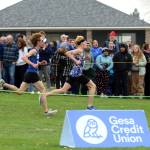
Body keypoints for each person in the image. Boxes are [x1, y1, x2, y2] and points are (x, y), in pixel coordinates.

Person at [0, 33, 57, 116]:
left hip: (30, 73)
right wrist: (32, 64)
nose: (43, 42)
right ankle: (46, 111)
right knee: (43, 90)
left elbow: (33, 61)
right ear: (37, 42)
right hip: (32, 73)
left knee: (20, 92)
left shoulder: (36, 50)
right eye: (41, 41)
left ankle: (3, 83)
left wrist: (39, 63)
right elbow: (24, 57)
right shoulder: (33, 50)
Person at [45, 36, 96, 110]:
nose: (86, 43)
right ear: (81, 43)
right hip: (77, 74)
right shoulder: (79, 50)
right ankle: (89, 106)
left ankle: (45, 95)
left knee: (63, 90)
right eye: (85, 42)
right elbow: (68, 53)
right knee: (93, 86)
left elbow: (78, 59)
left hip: (74, 73)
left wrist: (84, 59)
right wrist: (75, 61)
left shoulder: (81, 50)